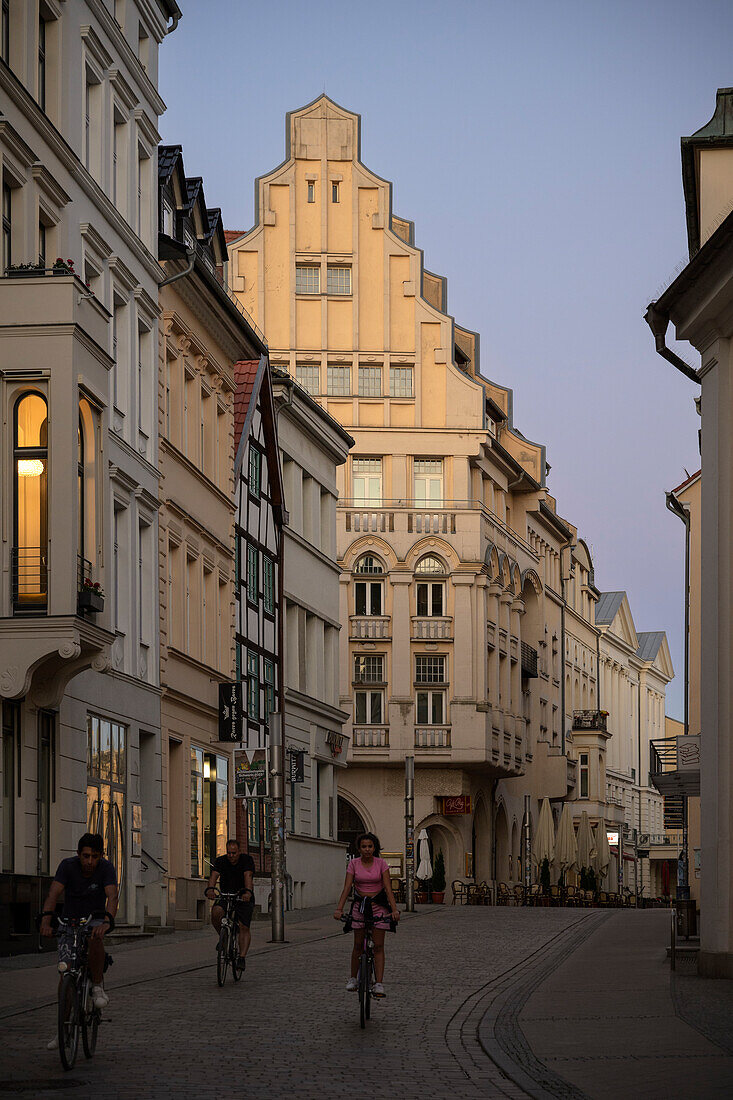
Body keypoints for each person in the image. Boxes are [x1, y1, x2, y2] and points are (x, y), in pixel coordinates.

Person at [40, 832, 118, 1050]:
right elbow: (53, 895)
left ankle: (96, 986)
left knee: (95, 938)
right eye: (85, 856)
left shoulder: (106, 868)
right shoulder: (67, 866)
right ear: (78, 854)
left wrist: (107, 922)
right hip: (69, 921)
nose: (89, 862)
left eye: (94, 856)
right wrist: (46, 921)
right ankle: (62, 1031)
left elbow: (112, 897)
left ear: (101, 856)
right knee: (66, 974)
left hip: (94, 919)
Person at [334, 832, 399, 997]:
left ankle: (378, 983)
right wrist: (339, 909)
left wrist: (394, 910)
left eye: (370, 846)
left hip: (379, 906)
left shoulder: (381, 864)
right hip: (360, 906)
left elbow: (388, 888)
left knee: (378, 946)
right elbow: (347, 887)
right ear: (359, 848)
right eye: (364, 846)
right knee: (357, 945)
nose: (367, 849)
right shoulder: (354, 864)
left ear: (374, 847)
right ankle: (353, 979)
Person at [204, 838, 255, 968]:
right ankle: (223, 938)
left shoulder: (246, 860)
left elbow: (247, 876)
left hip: (243, 895)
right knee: (216, 913)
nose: (231, 856)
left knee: (244, 926)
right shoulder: (221, 861)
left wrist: (248, 893)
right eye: (229, 853)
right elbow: (214, 876)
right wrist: (210, 889)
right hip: (226, 895)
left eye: (234, 853)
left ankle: (242, 957)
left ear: (239, 852)